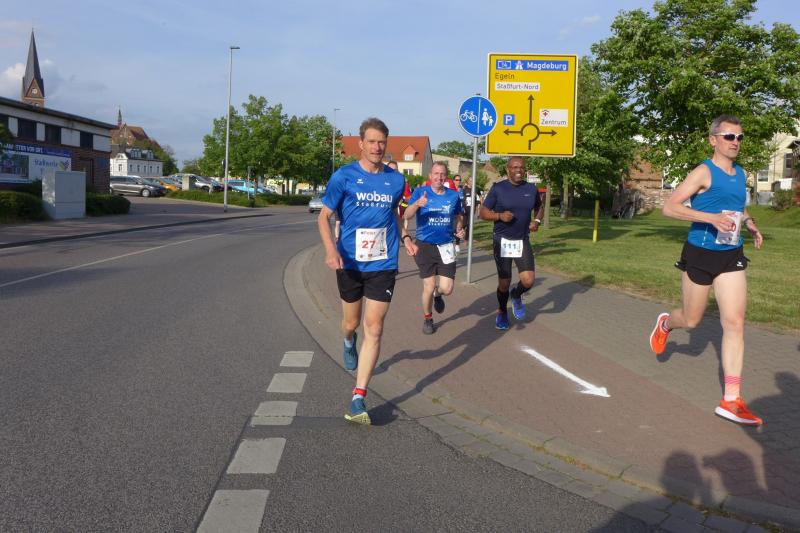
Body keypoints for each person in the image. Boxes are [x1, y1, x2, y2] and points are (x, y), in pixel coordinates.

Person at [649, 114, 764, 426]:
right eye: (729, 136)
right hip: (700, 253)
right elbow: (670, 207)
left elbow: (737, 205)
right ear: (714, 140)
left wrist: (750, 223)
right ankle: (666, 324)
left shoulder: (740, 173)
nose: (736, 142)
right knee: (691, 320)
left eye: (739, 137)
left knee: (735, 323)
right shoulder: (703, 172)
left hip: (731, 254)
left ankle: (731, 399)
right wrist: (710, 218)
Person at [318, 117, 418, 425]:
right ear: (361, 143)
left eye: (382, 142)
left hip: (383, 263)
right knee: (351, 323)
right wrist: (331, 250)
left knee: (373, 328)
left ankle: (358, 396)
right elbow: (323, 217)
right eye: (372, 141)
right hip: (349, 261)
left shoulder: (395, 181)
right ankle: (348, 340)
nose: (377, 147)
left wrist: (405, 237)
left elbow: (395, 214)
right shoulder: (344, 176)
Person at [479, 156, 544, 330]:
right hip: (502, 240)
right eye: (514, 167)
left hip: (522, 239)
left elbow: (539, 207)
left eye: (521, 167)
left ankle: (516, 295)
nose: (518, 170)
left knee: (528, 281)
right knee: (504, 283)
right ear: (508, 169)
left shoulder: (531, 189)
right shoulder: (498, 188)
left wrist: (537, 221)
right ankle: (502, 312)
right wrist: (499, 216)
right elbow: (483, 212)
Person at [403, 162, 465, 334]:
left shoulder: (453, 195)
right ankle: (428, 318)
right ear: (430, 175)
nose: (439, 177)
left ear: (446, 176)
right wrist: (417, 204)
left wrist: (459, 229)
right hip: (425, 246)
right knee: (429, 286)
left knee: (447, 289)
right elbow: (407, 215)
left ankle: (438, 295)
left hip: (446, 245)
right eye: (436, 173)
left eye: (442, 174)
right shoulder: (420, 192)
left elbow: (458, 216)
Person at [388, 160, 412, 230]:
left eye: (394, 170)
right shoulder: (380, 182)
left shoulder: (402, 182)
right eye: (389, 169)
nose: (392, 171)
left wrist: (402, 200)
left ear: (397, 171)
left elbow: (409, 198)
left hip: (399, 213)